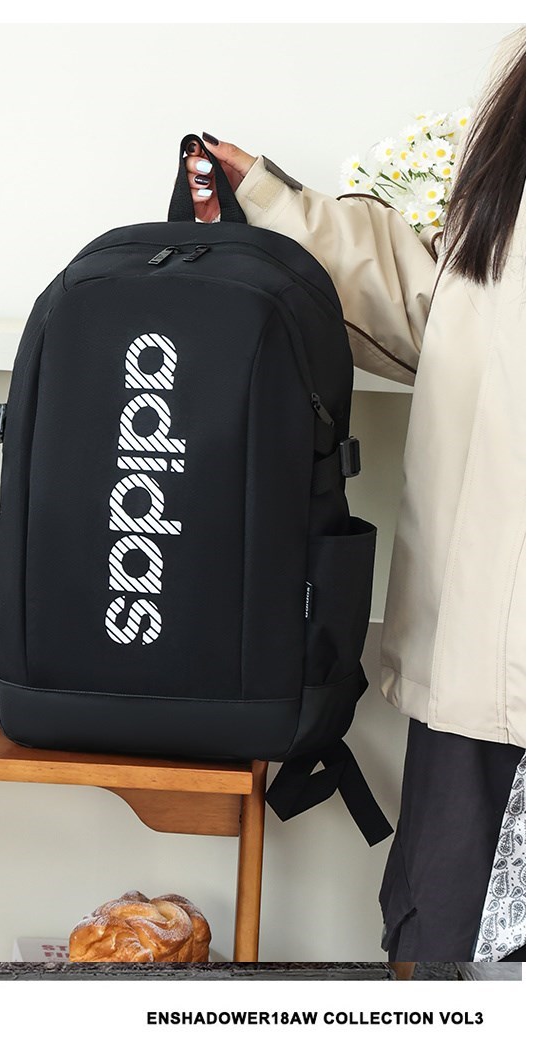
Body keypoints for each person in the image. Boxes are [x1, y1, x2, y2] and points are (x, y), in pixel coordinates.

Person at [184, 26, 525, 972]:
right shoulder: (523, 70)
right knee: (450, 956)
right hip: (485, 652)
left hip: (500, 644)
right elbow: (450, 308)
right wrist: (274, 207)